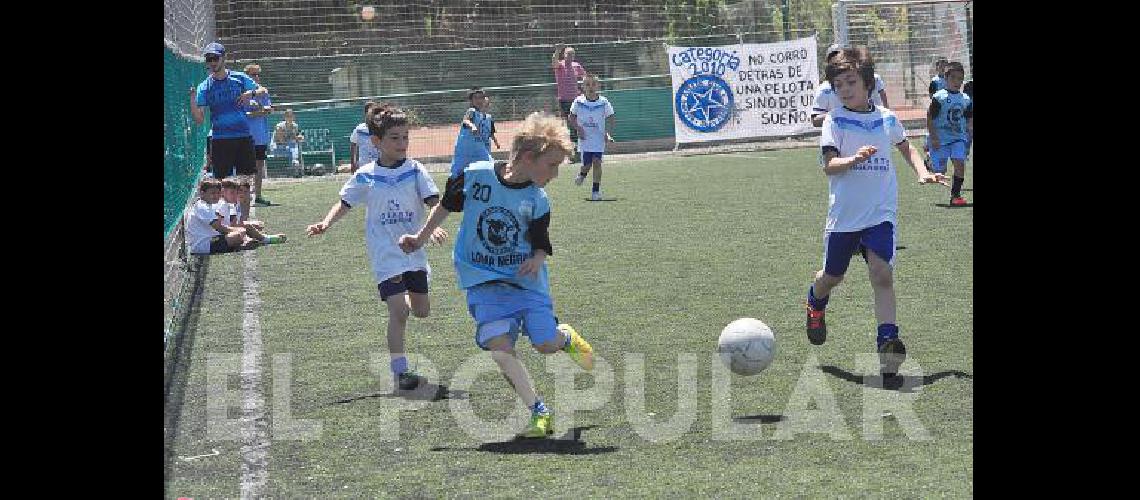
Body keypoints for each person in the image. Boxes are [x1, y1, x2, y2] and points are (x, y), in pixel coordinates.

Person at [397, 112, 596, 439]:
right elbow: (446, 205)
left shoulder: (537, 199)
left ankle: (565, 338)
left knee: (545, 343)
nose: (556, 174)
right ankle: (538, 411)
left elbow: (542, 241)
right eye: (552, 165)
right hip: (482, 280)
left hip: (524, 281)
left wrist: (537, 257)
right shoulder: (475, 176)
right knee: (499, 346)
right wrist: (419, 238)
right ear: (529, 158)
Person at [805, 47, 948, 378]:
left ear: (867, 83)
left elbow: (905, 146)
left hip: (880, 214)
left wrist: (921, 171)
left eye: (850, 82)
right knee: (833, 277)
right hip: (844, 216)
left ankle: (887, 341)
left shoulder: (886, 118)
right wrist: (853, 160)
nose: (844, 90)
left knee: (882, 274)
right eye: (838, 85)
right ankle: (815, 301)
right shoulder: (834, 120)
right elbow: (829, 166)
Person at [306, 105, 449, 392]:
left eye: (405, 137)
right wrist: (326, 223)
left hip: (414, 250)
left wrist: (433, 229)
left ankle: (406, 302)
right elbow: (345, 203)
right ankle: (400, 372)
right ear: (377, 142)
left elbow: (434, 201)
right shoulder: (366, 175)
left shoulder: (415, 170)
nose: (402, 144)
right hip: (385, 253)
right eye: (395, 138)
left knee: (420, 311)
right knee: (397, 313)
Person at [190, 41, 266, 220]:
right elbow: (199, 120)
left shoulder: (239, 78)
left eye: (215, 58)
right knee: (222, 185)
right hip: (221, 140)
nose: (212, 62)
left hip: (243, 137)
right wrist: (193, 100)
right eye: (209, 59)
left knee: (245, 183)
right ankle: (226, 223)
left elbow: (263, 90)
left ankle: (245, 222)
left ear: (223, 58)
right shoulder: (204, 87)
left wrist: (250, 94)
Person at [927, 61, 973, 206]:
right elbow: (929, 117)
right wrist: (933, 137)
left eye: (960, 79)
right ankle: (929, 161)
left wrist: (969, 128)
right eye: (953, 78)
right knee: (940, 170)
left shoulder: (965, 99)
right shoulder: (939, 97)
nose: (956, 82)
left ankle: (955, 196)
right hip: (940, 139)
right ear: (946, 79)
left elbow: (969, 118)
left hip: (957, 138)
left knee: (960, 164)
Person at [811, 43, 890, 127]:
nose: (844, 89)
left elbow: (885, 106)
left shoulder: (874, 78)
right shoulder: (824, 88)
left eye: (852, 82)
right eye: (838, 85)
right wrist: (841, 116)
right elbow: (815, 119)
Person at [568, 74, 616, 201]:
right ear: (583, 86)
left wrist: (608, 133)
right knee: (587, 164)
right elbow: (571, 117)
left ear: (598, 86)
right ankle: (582, 174)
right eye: (587, 84)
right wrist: (578, 129)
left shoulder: (604, 102)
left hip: (598, 139)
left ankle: (595, 192)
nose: (591, 87)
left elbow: (611, 117)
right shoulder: (578, 101)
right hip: (585, 139)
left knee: (597, 162)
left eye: (593, 84)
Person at [184, 177, 256, 255]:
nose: (216, 196)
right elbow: (219, 228)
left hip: (209, 240)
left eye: (218, 193)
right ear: (202, 193)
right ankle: (241, 245)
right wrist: (238, 230)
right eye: (212, 193)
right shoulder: (202, 206)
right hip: (202, 245)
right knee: (237, 235)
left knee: (239, 233)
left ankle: (241, 244)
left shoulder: (209, 205)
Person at [243, 63, 274, 205]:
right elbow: (245, 114)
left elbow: (269, 108)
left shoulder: (264, 92)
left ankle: (258, 195)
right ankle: (245, 196)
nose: (256, 77)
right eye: (252, 74)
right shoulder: (242, 92)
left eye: (257, 74)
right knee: (246, 168)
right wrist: (260, 111)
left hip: (260, 136)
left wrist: (261, 109)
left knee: (259, 166)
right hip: (246, 135)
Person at [220, 177, 285, 244]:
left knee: (255, 226)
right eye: (232, 192)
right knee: (246, 228)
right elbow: (233, 225)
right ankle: (265, 239)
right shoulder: (226, 205)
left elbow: (240, 220)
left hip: (229, 230)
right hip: (225, 233)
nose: (241, 194)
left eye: (245, 192)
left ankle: (256, 237)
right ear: (223, 193)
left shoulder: (235, 203)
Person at [551, 43, 587, 162]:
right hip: (564, 100)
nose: (570, 56)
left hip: (576, 100)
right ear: (564, 55)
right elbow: (554, 62)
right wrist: (557, 50)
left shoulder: (577, 66)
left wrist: (583, 89)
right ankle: (571, 153)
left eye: (572, 54)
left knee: (578, 124)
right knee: (569, 126)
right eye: (568, 54)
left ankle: (580, 151)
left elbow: (585, 78)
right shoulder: (560, 65)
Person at [448, 88, 494, 178]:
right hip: (465, 148)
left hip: (478, 147)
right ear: (471, 101)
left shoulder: (483, 116)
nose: (479, 100)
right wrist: (472, 126)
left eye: (481, 98)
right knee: (458, 171)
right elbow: (466, 120)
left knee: (489, 164)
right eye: (476, 98)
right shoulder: (471, 111)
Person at [349, 101, 379, 173]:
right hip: (364, 166)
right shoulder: (359, 129)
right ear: (366, 113)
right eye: (371, 112)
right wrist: (353, 163)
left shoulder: (381, 127)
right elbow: (353, 145)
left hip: (378, 165)